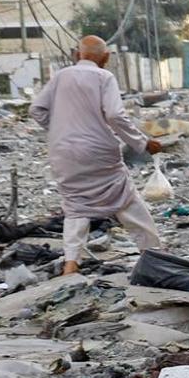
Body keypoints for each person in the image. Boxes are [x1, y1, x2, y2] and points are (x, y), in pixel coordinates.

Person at [30, 35, 165, 276]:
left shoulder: (61, 76)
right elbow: (114, 115)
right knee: (125, 198)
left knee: (75, 205)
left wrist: (61, 129)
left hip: (64, 152)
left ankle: (71, 264)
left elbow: (36, 109)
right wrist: (142, 143)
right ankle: (152, 255)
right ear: (106, 57)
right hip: (98, 150)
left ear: (77, 54)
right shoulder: (105, 77)